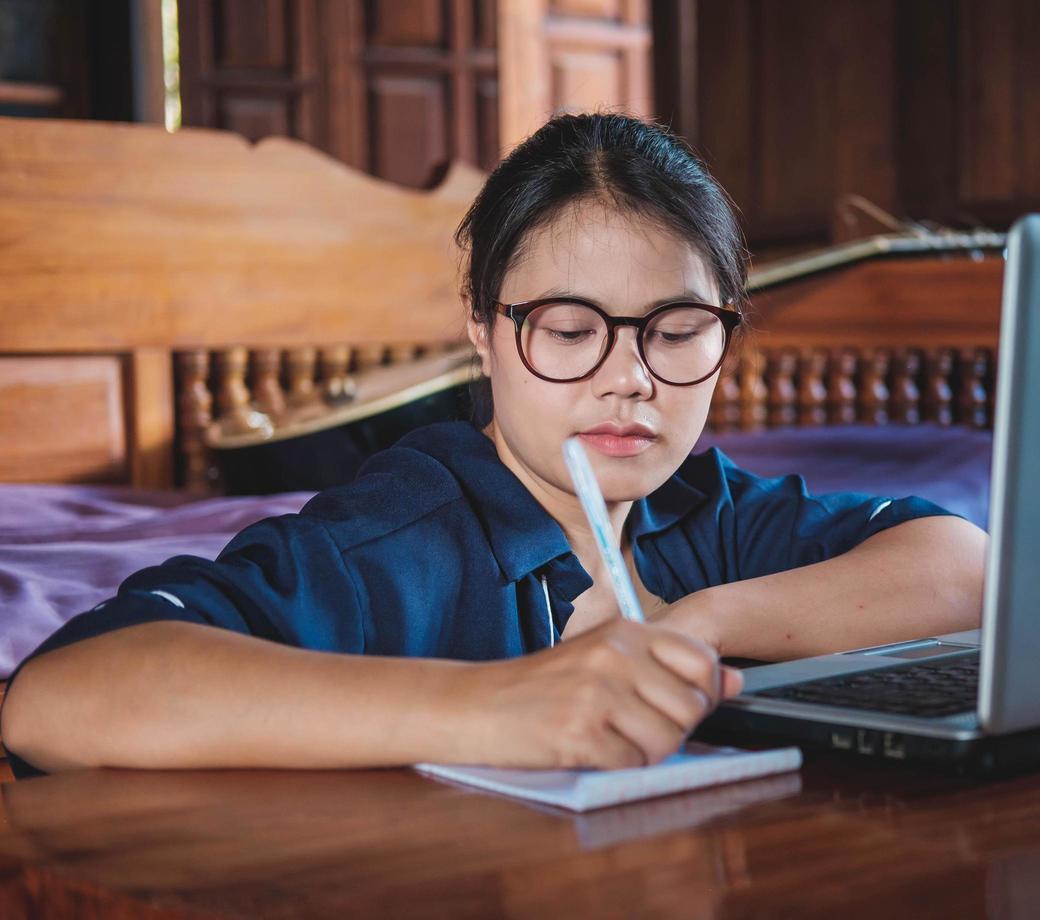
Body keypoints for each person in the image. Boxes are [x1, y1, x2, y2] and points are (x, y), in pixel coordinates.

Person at [0, 113, 988, 777]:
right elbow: (55, 696)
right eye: (568, 330)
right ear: (482, 327)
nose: (628, 376)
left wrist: (687, 619)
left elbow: (964, 563)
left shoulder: (700, 507)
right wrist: (496, 707)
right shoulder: (398, 537)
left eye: (677, 330)